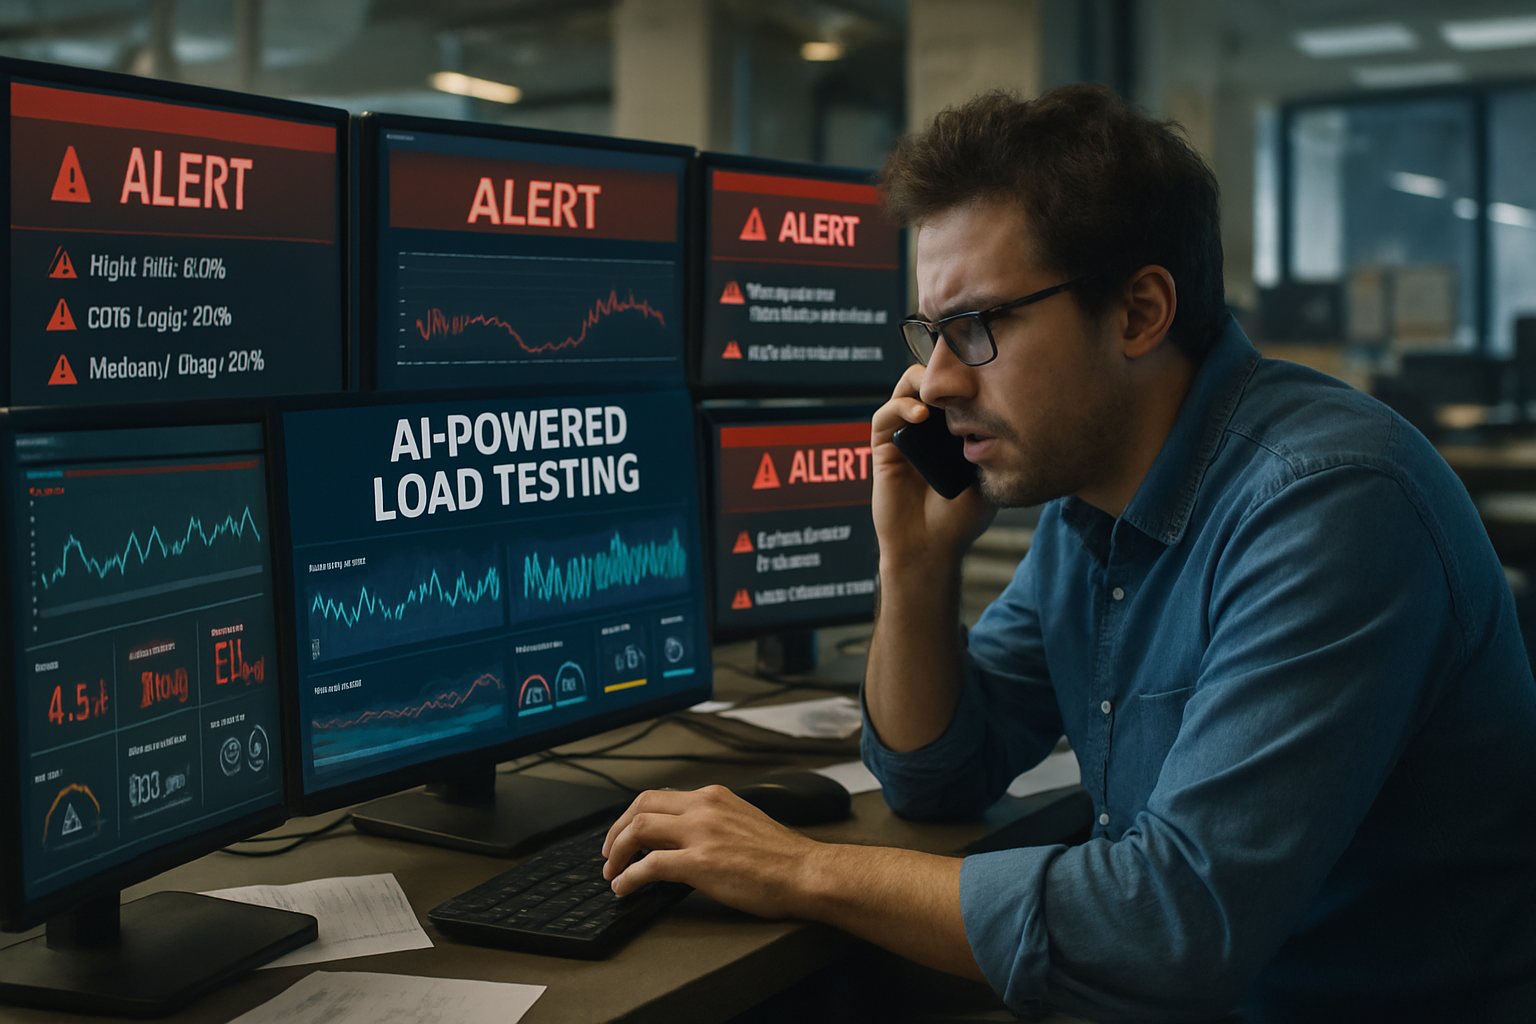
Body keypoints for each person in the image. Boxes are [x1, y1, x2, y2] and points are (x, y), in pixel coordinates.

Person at [601, 85, 1536, 1021]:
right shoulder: (1091, 503)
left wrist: (802, 870)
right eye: (931, 334)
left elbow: (1170, 929)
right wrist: (915, 566)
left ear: (1138, 312)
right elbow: (938, 775)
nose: (936, 381)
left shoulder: (1328, 503)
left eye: (978, 327)